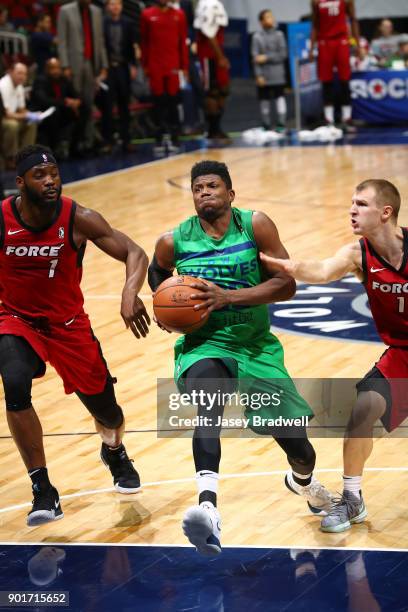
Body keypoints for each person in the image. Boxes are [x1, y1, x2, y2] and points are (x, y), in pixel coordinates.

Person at [148, 160, 334, 556]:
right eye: (197, 188)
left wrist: (227, 297)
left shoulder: (255, 226)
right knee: (208, 405)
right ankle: (208, 510)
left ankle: (302, 481)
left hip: (255, 344)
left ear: (230, 194)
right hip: (206, 343)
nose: (204, 192)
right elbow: (158, 273)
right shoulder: (174, 240)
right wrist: (164, 310)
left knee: (299, 448)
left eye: (212, 186)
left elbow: (286, 285)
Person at [0, 144, 150, 526]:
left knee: (108, 413)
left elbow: (134, 252)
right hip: (15, 319)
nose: (50, 181)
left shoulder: (78, 217)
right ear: (20, 183)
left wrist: (129, 292)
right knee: (14, 384)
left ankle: (113, 450)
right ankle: (43, 489)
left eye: (54, 174)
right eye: (40, 176)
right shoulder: (1, 221)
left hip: (67, 326)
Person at [260, 179, 407, 533]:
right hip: (402, 354)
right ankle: (352, 499)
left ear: (385, 212)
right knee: (362, 409)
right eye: (351, 203)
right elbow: (324, 271)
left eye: (361, 204)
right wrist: (288, 266)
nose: (352, 210)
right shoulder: (358, 254)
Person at [57, 0, 109, 154]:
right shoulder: (65, 11)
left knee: (89, 104)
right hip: (73, 65)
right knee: (79, 106)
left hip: (92, 64)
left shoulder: (96, 11)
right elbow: (62, 40)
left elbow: (100, 40)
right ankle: (75, 144)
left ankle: (89, 141)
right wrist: (65, 65)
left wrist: (104, 65)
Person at [140, 0, 188, 153]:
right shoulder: (147, 14)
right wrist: (145, 65)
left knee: (173, 102)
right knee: (158, 103)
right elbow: (144, 42)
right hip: (155, 66)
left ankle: (175, 137)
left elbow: (182, 42)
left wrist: (184, 66)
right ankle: (159, 138)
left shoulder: (179, 15)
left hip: (173, 65)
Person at [309, 0, 361, 130]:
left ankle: (347, 119)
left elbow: (353, 20)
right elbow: (315, 24)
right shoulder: (316, 2)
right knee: (326, 81)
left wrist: (357, 44)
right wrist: (311, 47)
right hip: (324, 42)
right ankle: (329, 120)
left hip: (342, 40)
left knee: (345, 80)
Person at [103, 0, 138, 153]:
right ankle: (109, 141)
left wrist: (133, 65)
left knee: (125, 106)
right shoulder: (102, 23)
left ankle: (126, 140)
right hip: (108, 68)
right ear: (107, 7)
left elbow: (132, 46)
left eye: (117, 4)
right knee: (108, 107)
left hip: (124, 67)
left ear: (122, 6)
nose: (115, 7)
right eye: (112, 4)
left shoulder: (128, 23)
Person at [31, 58, 82, 159]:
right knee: (55, 113)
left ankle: (74, 148)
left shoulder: (63, 79)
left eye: (58, 68)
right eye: (52, 68)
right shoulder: (40, 80)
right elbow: (44, 101)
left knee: (84, 110)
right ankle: (54, 150)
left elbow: (76, 94)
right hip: (44, 113)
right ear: (47, 69)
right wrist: (66, 102)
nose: (56, 71)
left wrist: (77, 101)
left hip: (61, 109)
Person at [194, 0, 230, 142]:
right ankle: (213, 131)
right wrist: (220, 56)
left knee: (222, 91)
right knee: (212, 92)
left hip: (216, 54)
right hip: (210, 56)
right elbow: (209, 33)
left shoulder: (214, 4)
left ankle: (216, 129)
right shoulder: (207, 5)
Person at [251, 9, 288, 131]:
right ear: (261, 21)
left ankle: (281, 123)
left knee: (280, 97)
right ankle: (266, 124)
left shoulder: (279, 35)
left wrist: (266, 57)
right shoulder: (257, 37)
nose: (271, 19)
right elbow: (255, 58)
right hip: (264, 75)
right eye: (267, 17)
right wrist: (258, 75)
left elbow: (283, 54)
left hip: (277, 74)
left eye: (271, 17)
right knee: (264, 99)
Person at [0, 63, 40, 170]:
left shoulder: (20, 86)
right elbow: (7, 114)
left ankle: (25, 156)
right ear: (11, 72)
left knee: (31, 123)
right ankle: (11, 158)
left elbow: (22, 109)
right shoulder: (3, 85)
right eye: (19, 73)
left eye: (25, 74)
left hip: (12, 116)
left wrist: (34, 115)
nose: (22, 76)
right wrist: (27, 115)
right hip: (3, 118)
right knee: (12, 125)